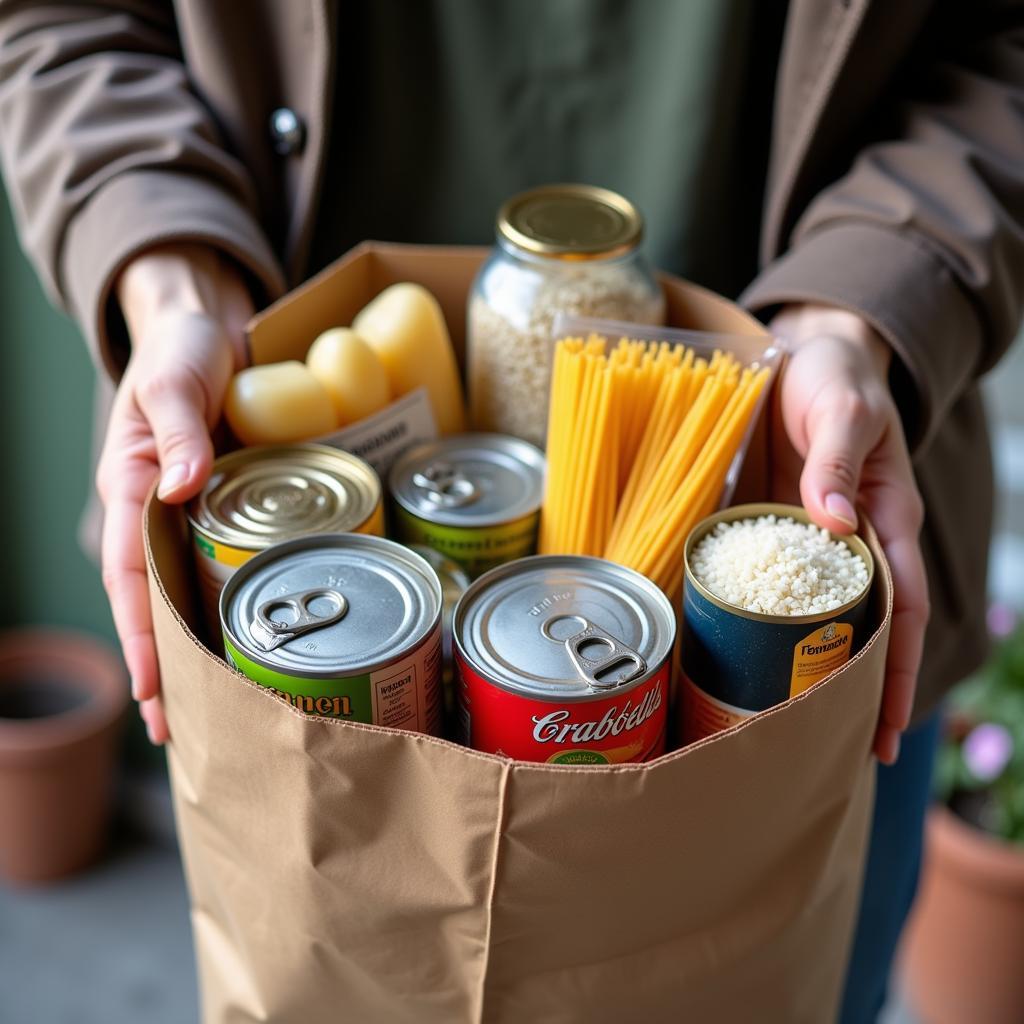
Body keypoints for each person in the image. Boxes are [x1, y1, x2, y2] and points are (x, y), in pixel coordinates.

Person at [0, 2, 1021, 1020]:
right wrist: (170, 282)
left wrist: (859, 311)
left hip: (803, 451)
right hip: (255, 408)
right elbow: (59, 19)